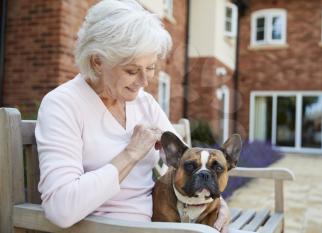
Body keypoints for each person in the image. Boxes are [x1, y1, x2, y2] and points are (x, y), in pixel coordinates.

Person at [35, 0, 230, 231]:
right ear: (97, 62)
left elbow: (188, 164)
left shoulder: (144, 102)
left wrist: (216, 202)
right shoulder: (63, 105)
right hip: (107, 227)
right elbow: (61, 209)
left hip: (157, 223)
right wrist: (131, 153)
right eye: (132, 70)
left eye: (150, 68)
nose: (145, 81)